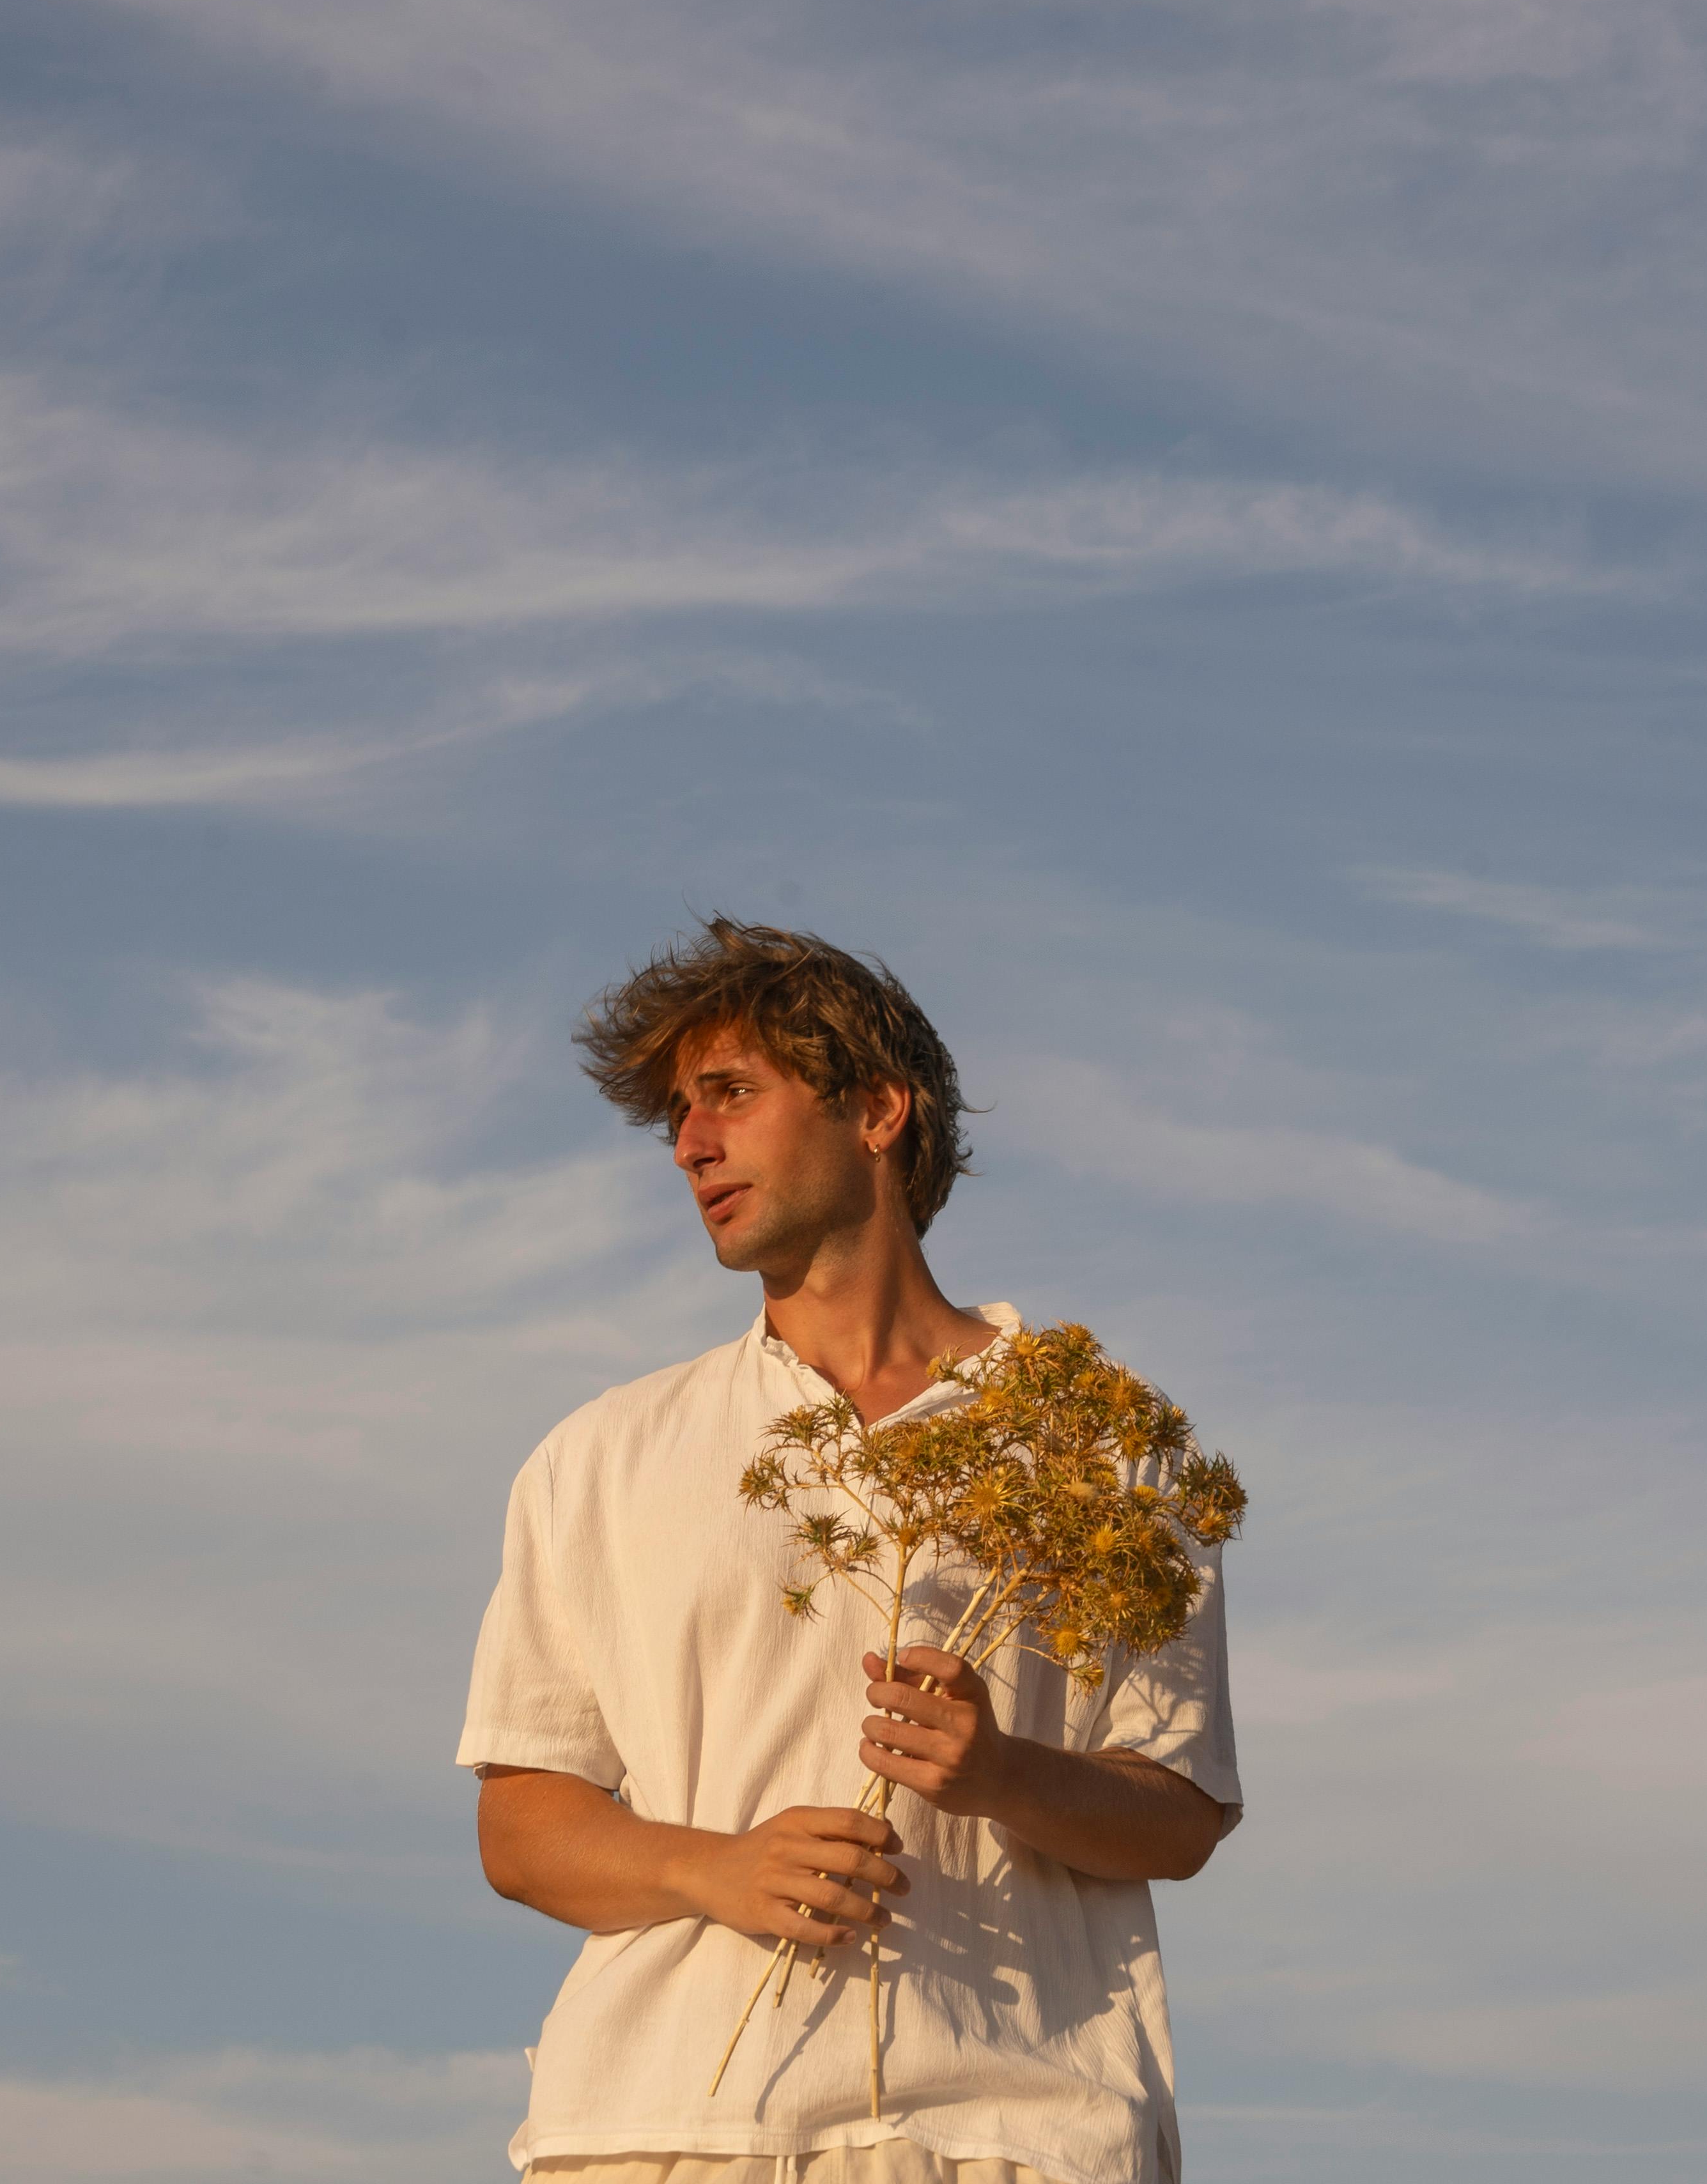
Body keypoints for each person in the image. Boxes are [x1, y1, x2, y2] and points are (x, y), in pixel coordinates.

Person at [458, 920, 1241, 2184]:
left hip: (1013, 2135)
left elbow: (1177, 1814)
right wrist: (713, 1866)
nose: (689, 1146)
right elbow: (521, 1825)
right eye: (675, 1116)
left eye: (728, 1094)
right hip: (667, 2133)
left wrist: (1000, 1774)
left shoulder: (1097, 1445)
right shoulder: (599, 1455)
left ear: (876, 1110)